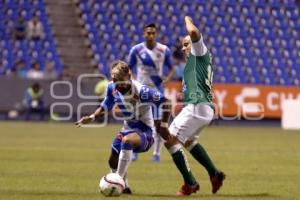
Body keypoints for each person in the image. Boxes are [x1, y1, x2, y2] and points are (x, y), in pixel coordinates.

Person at [76, 60, 172, 194]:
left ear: (129, 75)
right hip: (127, 129)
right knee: (112, 160)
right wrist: (92, 117)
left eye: (120, 80)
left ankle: (117, 182)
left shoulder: (142, 91)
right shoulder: (111, 88)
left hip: (145, 133)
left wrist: (163, 125)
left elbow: (167, 102)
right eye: (114, 80)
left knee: (127, 141)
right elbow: (105, 105)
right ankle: (125, 187)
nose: (117, 84)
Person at [159, 16, 225, 196]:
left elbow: (194, 32)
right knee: (188, 141)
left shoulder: (200, 52)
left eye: (186, 44)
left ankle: (191, 183)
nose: (183, 47)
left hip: (197, 106)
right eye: (183, 45)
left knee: (169, 139)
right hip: (202, 107)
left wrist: (187, 19)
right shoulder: (193, 63)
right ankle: (215, 174)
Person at [128, 23, 175, 162]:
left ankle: (156, 154)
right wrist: (134, 81)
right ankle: (135, 151)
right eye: (148, 33)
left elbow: (171, 67)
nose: (151, 35)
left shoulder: (164, 50)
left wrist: (168, 78)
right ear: (144, 34)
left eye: (153, 33)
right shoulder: (136, 50)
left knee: (158, 123)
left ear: (156, 34)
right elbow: (129, 68)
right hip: (140, 91)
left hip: (157, 90)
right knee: (137, 121)